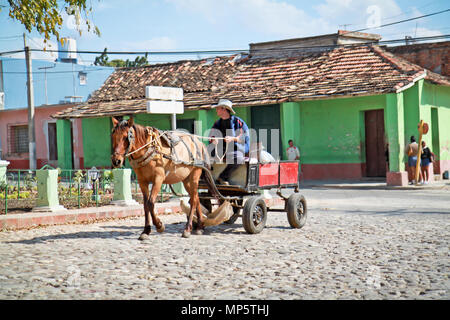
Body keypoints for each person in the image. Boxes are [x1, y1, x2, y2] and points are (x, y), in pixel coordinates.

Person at [209, 99, 250, 185]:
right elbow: (211, 135)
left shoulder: (238, 122)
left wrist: (233, 139)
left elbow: (243, 138)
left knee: (238, 158)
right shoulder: (217, 123)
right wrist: (213, 139)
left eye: (218, 108)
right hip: (221, 149)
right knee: (205, 153)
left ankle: (223, 177)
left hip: (236, 149)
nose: (216, 110)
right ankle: (206, 177)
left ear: (224, 109)